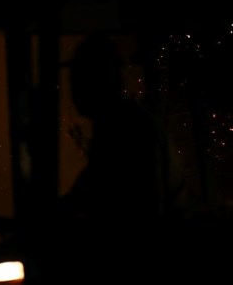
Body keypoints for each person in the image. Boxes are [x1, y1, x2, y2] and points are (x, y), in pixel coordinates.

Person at [60, 33, 184, 226]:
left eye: (78, 77)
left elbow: (141, 210)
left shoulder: (129, 132)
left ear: (99, 79)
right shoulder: (120, 127)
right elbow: (85, 193)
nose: (72, 88)